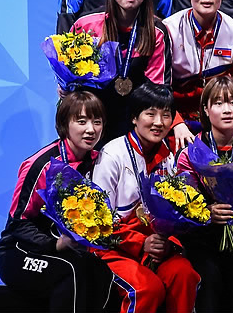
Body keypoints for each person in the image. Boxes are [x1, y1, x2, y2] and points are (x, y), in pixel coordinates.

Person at [0, 92, 114, 313]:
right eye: (81, 121)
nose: (91, 129)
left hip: (66, 249)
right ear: (64, 124)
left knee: (101, 273)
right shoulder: (41, 164)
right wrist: (54, 244)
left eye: (97, 122)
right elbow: (18, 223)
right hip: (19, 251)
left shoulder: (99, 162)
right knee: (71, 271)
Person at [91, 82, 201, 313]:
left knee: (184, 274)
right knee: (146, 288)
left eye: (166, 115)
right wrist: (141, 243)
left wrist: (166, 243)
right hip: (114, 248)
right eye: (150, 114)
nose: (158, 122)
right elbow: (98, 223)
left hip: (154, 247)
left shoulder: (168, 158)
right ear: (134, 118)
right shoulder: (112, 155)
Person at [71, 0, 192, 147]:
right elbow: (73, 82)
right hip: (91, 121)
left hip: (135, 122)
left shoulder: (157, 31)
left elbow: (158, 89)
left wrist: (175, 121)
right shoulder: (86, 25)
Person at [176, 76, 233, 313]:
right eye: (218, 103)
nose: (226, 110)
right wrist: (206, 213)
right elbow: (184, 204)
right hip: (202, 241)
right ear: (205, 109)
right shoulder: (189, 154)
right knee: (207, 275)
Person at [163, 0, 233, 129]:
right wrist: (176, 122)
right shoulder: (169, 30)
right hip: (174, 117)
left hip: (219, 118)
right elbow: (159, 86)